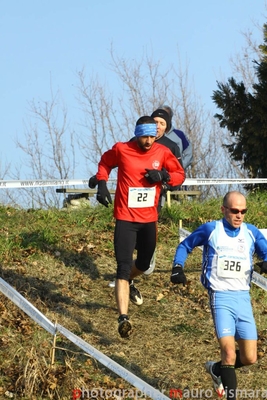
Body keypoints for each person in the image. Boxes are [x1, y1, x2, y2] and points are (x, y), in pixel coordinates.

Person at [170, 191, 267, 400]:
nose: (239, 215)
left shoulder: (250, 232)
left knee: (250, 357)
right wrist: (178, 266)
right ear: (224, 210)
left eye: (243, 211)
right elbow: (185, 245)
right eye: (234, 211)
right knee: (230, 353)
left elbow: (266, 251)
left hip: (243, 298)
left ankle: (216, 369)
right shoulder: (211, 229)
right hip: (220, 297)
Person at [94, 116, 185, 338]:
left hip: (148, 220)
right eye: (144, 136)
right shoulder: (122, 149)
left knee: (143, 264)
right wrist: (102, 184)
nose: (148, 141)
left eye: (152, 137)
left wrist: (163, 175)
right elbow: (105, 162)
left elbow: (180, 174)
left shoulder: (162, 152)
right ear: (136, 134)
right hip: (125, 218)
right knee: (123, 267)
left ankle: (131, 280)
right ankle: (123, 317)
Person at [159, 104, 193, 170]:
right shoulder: (153, 135)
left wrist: (179, 167)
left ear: (170, 118)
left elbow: (189, 154)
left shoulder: (179, 135)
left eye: (166, 116)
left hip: (175, 175)